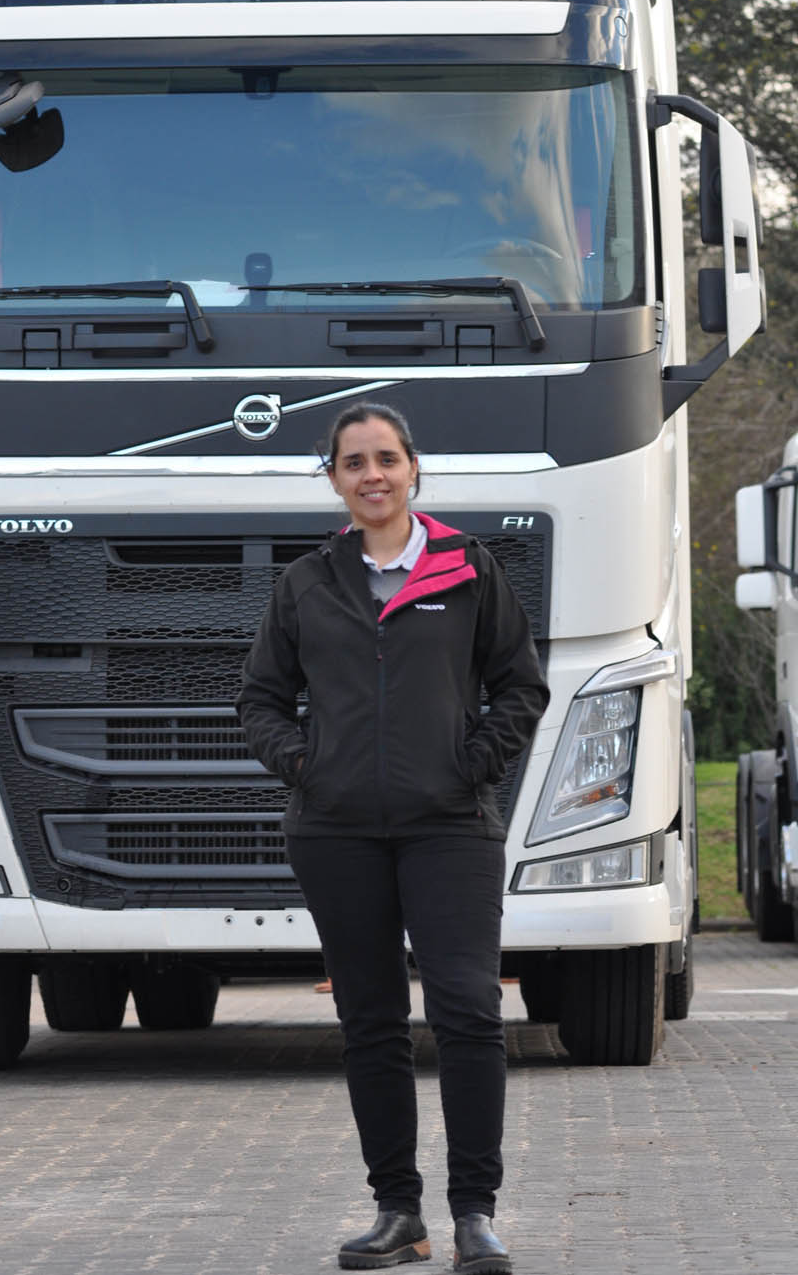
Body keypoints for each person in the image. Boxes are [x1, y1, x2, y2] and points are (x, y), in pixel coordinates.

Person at [236, 402, 549, 1274]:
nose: (371, 475)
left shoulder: (468, 570)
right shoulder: (305, 582)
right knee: (370, 1021)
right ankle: (396, 1213)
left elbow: (521, 686)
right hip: (334, 828)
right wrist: (302, 764)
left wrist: (473, 761)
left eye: (386, 459)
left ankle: (475, 1215)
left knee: (468, 1011)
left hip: (450, 824)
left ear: (414, 469)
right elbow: (259, 697)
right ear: (333, 479)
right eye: (353, 463)